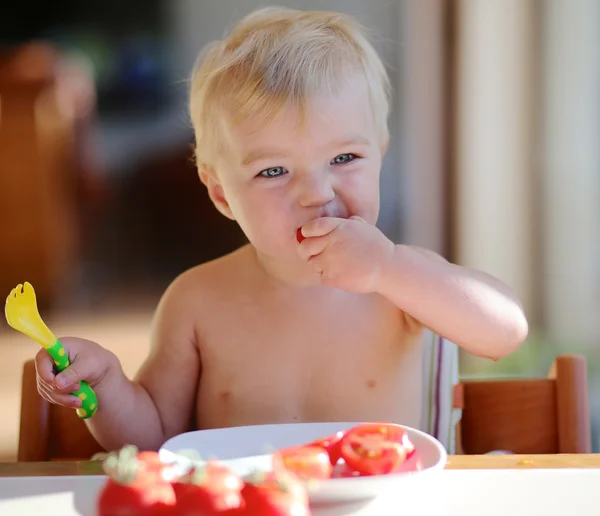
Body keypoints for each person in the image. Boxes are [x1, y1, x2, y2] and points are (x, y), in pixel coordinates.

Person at [34, 7, 528, 453]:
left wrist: (390, 268)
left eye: (344, 158)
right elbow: (153, 440)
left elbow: (505, 331)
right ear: (222, 193)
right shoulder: (196, 302)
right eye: (273, 171)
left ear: (380, 153)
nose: (315, 192)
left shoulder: (405, 287)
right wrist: (108, 386)